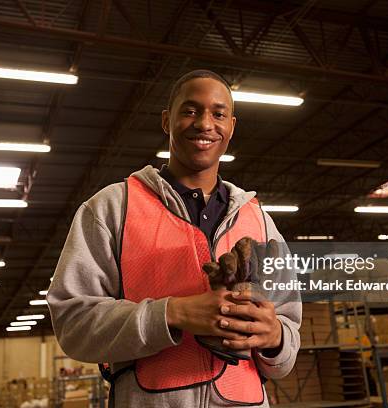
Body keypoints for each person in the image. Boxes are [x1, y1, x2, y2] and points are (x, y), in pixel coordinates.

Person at [47, 69, 301, 407]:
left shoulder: (259, 220)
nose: (205, 124)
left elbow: (288, 339)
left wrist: (274, 337)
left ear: (231, 127)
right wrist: (173, 313)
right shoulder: (112, 207)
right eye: (190, 110)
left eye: (218, 114)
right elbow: (73, 324)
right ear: (167, 120)